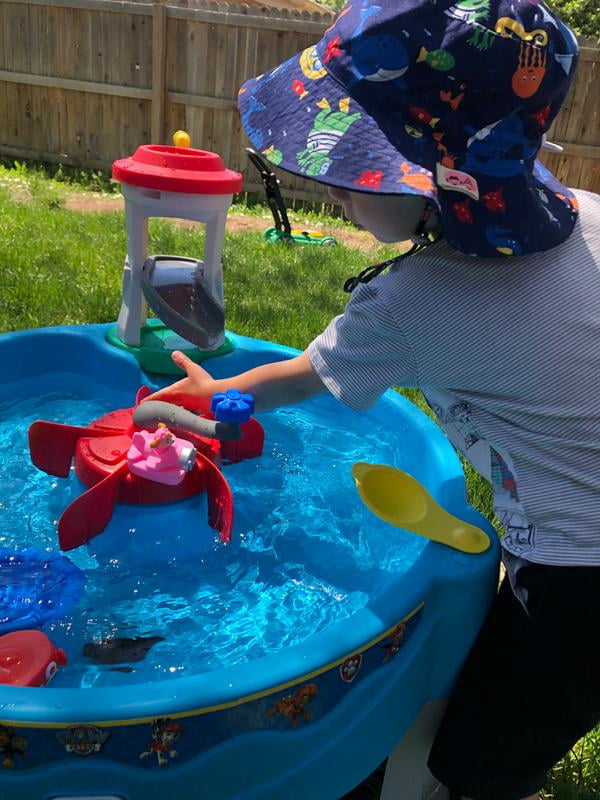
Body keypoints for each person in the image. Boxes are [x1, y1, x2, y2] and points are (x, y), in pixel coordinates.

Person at [146, 1, 600, 798]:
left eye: (346, 181)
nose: (333, 198)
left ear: (424, 183)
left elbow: (297, 381)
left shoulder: (416, 302)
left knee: (480, 754)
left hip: (578, 580)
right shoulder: (592, 219)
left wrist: (213, 393)